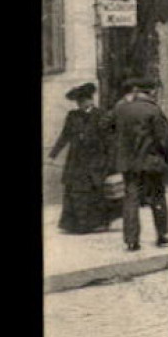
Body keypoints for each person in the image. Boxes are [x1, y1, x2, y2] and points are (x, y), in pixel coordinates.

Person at [110, 77, 168, 251]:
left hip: (129, 164)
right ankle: (162, 235)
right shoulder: (153, 110)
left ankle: (131, 240)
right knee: (158, 197)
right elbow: (164, 140)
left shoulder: (120, 107)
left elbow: (108, 128)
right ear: (151, 91)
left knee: (130, 199)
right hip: (151, 162)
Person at [50, 82, 117, 234]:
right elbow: (64, 136)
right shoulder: (72, 116)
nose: (81, 104)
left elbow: (109, 140)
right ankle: (74, 224)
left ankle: (96, 223)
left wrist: (110, 161)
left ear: (91, 100)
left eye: (83, 101)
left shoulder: (101, 115)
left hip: (95, 160)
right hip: (76, 161)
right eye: (78, 102)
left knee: (94, 191)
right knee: (74, 191)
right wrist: (53, 154)